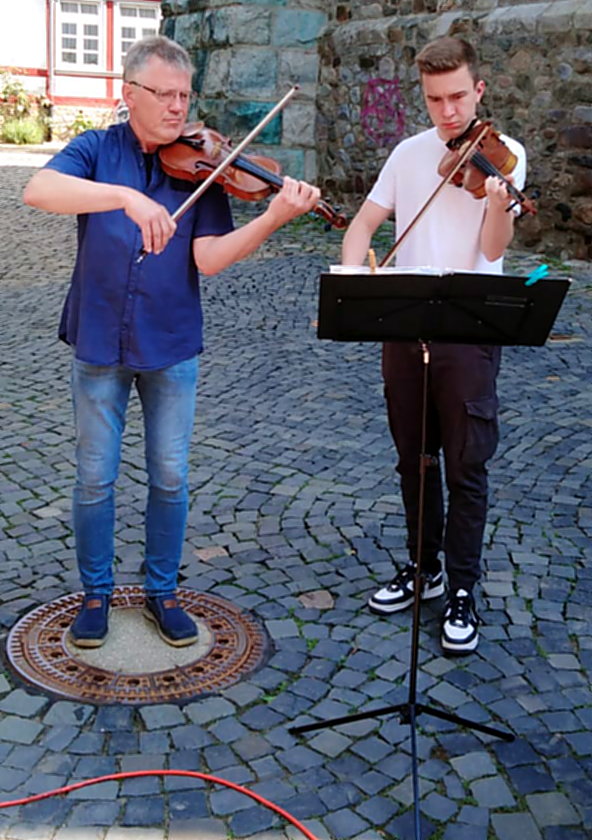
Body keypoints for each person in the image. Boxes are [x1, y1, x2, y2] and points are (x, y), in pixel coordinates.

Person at [23, 35, 320, 649]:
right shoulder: (96, 150)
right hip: (100, 337)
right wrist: (126, 197)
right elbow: (38, 192)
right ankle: (96, 595)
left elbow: (208, 259)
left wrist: (270, 218)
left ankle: (162, 592)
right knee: (93, 478)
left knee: (169, 476)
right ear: (129, 94)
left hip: (172, 342)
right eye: (165, 94)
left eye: (185, 95)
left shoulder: (203, 166)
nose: (179, 108)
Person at [342, 36, 526, 654]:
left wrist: (498, 202)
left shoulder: (506, 156)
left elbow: (495, 248)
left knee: (467, 463)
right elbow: (366, 223)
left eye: (456, 97)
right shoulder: (408, 152)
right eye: (433, 100)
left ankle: (463, 589)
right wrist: (353, 276)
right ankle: (425, 570)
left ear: (478, 90)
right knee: (413, 459)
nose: (446, 113)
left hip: (470, 332)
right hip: (406, 325)